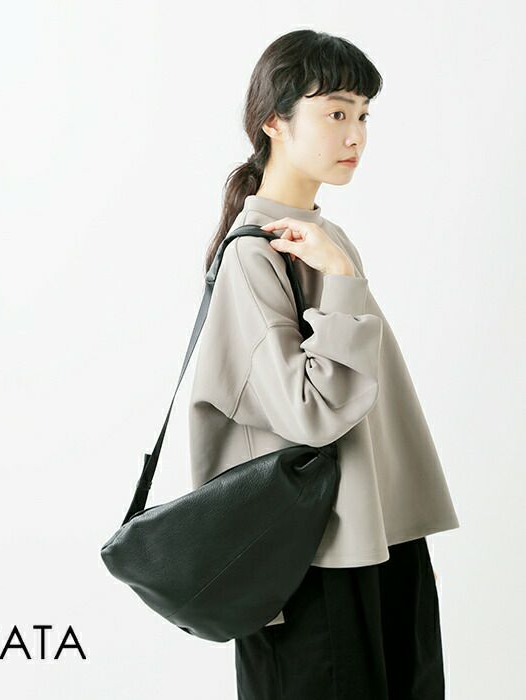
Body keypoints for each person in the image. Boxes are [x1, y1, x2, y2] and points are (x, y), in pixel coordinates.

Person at [187, 29, 460, 699]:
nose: (355, 135)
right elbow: (309, 412)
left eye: (363, 114)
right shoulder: (255, 254)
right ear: (273, 121)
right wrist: (339, 280)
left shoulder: (321, 238)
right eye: (336, 112)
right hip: (313, 566)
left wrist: (337, 268)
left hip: (374, 542)